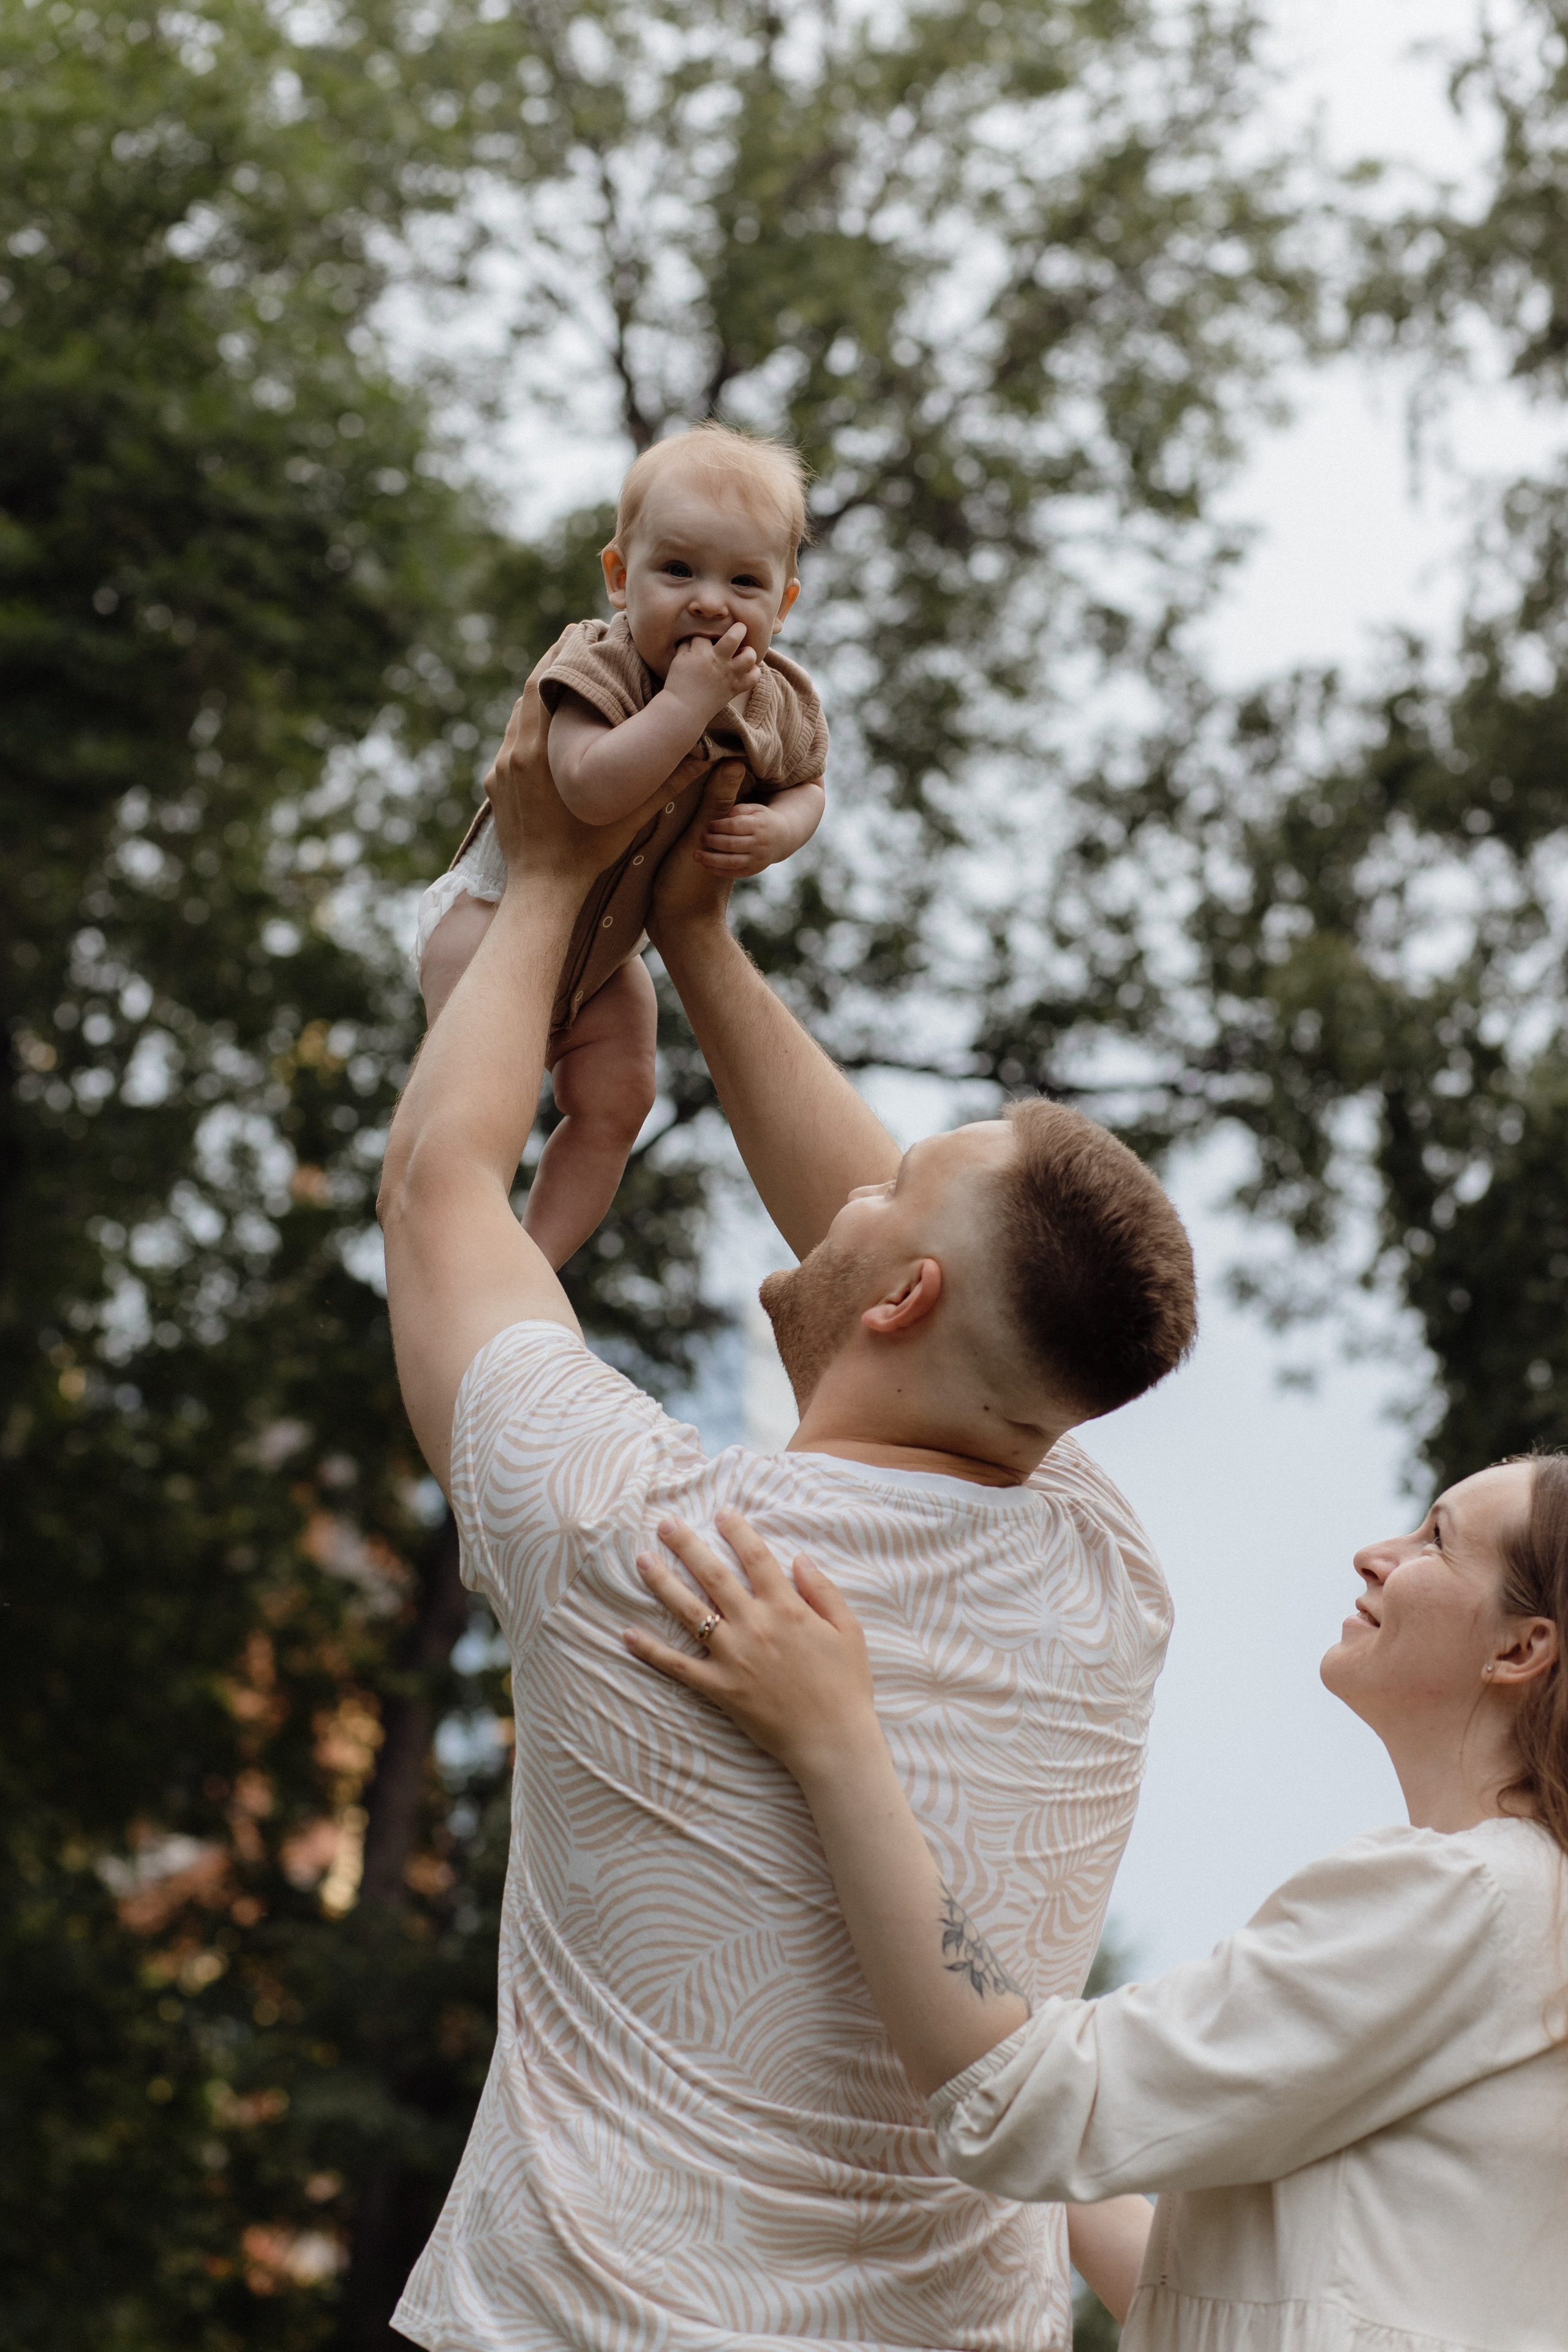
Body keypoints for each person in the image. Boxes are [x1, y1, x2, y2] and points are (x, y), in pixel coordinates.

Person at [375, 654, 1197, 2351]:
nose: (857, 1181)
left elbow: (441, 1184)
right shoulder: (1103, 1586)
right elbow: (972, 1292)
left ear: (898, 1304)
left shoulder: (645, 1538)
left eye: (891, 1190)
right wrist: (695, 930)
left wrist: (543, 867)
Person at [627, 1453, 1568, 2348]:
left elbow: (1019, 2104)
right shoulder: (1526, 1913)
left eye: (1436, 1539)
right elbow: (1234, 2294)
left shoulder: (1472, 1899)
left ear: (1522, 1647)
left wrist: (834, 1737)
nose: (1377, 1553)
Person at [412, 422, 827, 1270]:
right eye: (678, 570)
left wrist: (778, 831)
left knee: (621, 1096)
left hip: (608, 960)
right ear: (619, 576)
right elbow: (588, 787)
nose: (711, 602)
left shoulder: (779, 701)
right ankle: (454, 1227)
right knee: (482, 1101)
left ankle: (534, 1261)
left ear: (783, 602)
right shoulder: (598, 663)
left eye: (744, 581)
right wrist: (683, 706)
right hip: (490, 920)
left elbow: (808, 784)